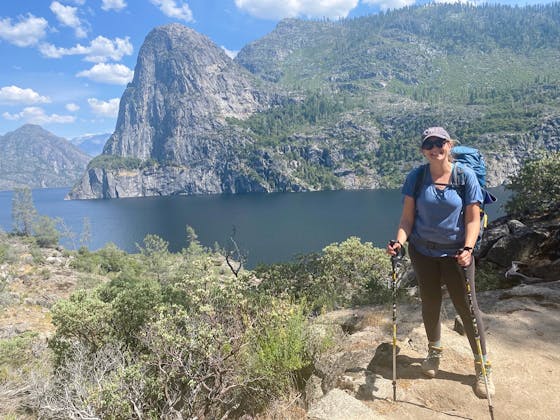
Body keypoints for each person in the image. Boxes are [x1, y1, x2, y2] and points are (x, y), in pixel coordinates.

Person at [386, 126, 495, 398]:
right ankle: (434, 353)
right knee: (430, 303)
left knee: (467, 309)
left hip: (457, 254)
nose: (434, 149)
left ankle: (483, 367)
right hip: (423, 252)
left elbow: (472, 219)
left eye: (439, 143)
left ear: (449, 144)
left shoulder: (464, 176)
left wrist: (468, 248)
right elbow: (407, 218)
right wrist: (398, 241)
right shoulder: (417, 176)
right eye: (428, 145)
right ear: (423, 150)